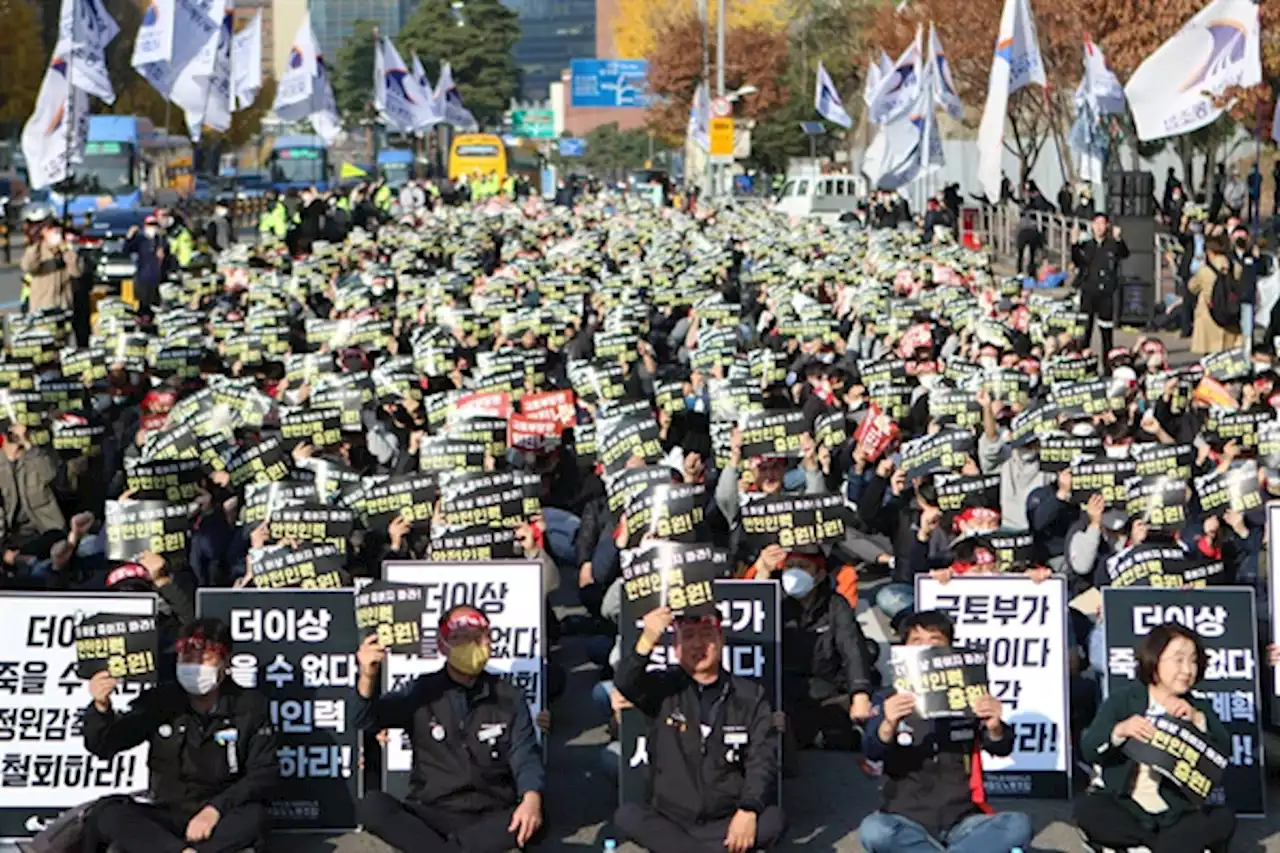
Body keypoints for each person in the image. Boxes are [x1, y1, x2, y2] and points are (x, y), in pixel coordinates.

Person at [353, 604, 546, 853]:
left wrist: (531, 798)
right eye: (461, 638)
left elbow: (525, 755)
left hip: (490, 812)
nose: (473, 644)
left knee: (538, 816)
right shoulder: (421, 691)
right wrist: (367, 677)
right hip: (430, 812)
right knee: (372, 806)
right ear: (443, 645)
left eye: (480, 637)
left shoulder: (509, 696)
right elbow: (364, 720)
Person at [84, 618, 278, 853]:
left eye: (204, 658)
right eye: (187, 658)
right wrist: (100, 706)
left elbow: (263, 773)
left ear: (225, 662)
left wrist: (214, 810)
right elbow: (104, 745)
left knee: (254, 818)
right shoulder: (160, 701)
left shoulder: (250, 706)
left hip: (218, 814)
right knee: (107, 811)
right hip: (167, 814)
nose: (195, 665)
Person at [613, 606, 786, 853]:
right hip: (671, 821)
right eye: (689, 636)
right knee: (628, 815)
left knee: (773, 820)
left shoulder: (751, 696)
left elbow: (763, 758)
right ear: (675, 647)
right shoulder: (662, 688)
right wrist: (648, 638)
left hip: (725, 822)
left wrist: (748, 809)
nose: (698, 645)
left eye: (706, 635)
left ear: (721, 640)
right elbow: (626, 681)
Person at [858, 610, 1033, 853]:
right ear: (904, 648)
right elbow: (871, 750)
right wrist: (888, 723)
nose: (926, 647)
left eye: (935, 640)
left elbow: (1001, 748)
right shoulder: (888, 697)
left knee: (1017, 825)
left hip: (963, 820)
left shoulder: (968, 693)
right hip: (905, 818)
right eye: (916, 641)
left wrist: (995, 725)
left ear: (949, 648)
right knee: (874, 831)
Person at [1075, 622, 1235, 853]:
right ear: (1154, 659)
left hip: (1176, 812)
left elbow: (1223, 754)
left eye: (1193, 661)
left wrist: (1198, 723)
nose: (1187, 669)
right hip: (1125, 804)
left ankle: (1136, 848)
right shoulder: (1124, 700)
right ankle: (1156, 847)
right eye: (1178, 660)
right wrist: (1119, 731)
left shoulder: (1198, 707)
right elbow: (1089, 748)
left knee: (1223, 818)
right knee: (1088, 809)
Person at [751, 546, 873, 751]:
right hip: (782, 687)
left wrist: (860, 693)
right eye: (790, 566)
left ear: (819, 575)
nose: (794, 572)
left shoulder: (836, 604)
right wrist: (762, 572)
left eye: (803, 567)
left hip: (826, 685)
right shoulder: (774, 597)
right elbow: (750, 617)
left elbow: (851, 647)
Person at [1071, 212, 1129, 371]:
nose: (1099, 227)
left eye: (1102, 224)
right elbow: (1077, 261)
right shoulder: (1087, 245)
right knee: (1085, 332)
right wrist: (1074, 243)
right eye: (1096, 224)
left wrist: (1119, 238)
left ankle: (1108, 368)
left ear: (1107, 226)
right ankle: (1084, 367)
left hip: (1106, 295)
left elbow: (1124, 253)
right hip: (1088, 293)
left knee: (1106, 334)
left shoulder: (1112, 244)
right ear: (1092, 226)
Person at [1188, 233, 1243, 355]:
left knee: (1209, 356)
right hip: (1230, 315)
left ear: (1209, 251)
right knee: (1228, 354)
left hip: (1209, 315)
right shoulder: (1236, 268)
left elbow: (1192, 287)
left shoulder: (1204, 271)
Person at [20, 215, 83, 312]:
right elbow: (28, 267)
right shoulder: (38, 250)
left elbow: (76, 272)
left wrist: (65, 249)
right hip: (42, 306)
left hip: (64, 306)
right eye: (51, 230)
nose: (55, 233)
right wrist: (36, 243)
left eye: (57, 231)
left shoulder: (66, 250)